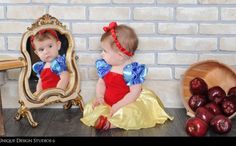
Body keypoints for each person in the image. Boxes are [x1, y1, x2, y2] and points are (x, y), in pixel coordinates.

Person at [80, 22, 173, 131]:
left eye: (105, 51)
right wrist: (100, 96)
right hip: (107, 101)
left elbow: (134, 93)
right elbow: (101, 83)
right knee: (94, 107)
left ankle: (110, 124)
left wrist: (119, 105)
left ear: (120, 56)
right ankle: (104, 119)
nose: (102, 54)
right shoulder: (106, 67)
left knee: (130, 113)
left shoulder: (131, 71)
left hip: (126, 102)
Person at [30, 29, 70, 96]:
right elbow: (40, 81)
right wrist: (38, 92)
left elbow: (65, 78)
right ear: (37, 53)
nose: (46, 52)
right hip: (45, 95)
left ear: (58, 45)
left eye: (50, 46)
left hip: (56, 94)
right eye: (41, 49)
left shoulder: (58, 63)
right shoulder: (41, 66)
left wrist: (58, 92)